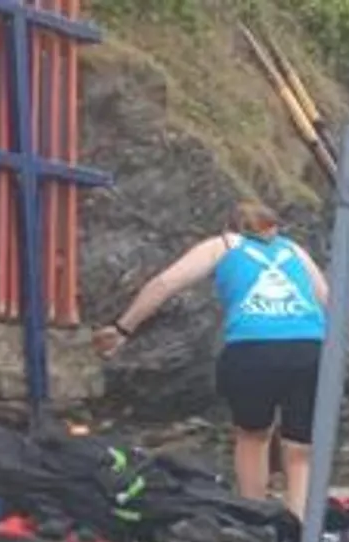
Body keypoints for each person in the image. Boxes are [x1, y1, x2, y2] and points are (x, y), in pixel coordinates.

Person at [93, 201, 329, 518]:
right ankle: (301, 523)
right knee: (300, 449)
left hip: (251, 348)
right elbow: (327, 298)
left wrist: (123, 328)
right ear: (273, 226)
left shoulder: (223, 245)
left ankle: (255, 516)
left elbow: (165, 283)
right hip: (309, 347)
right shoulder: (293, 250)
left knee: (253, 436)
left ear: (230, 226)